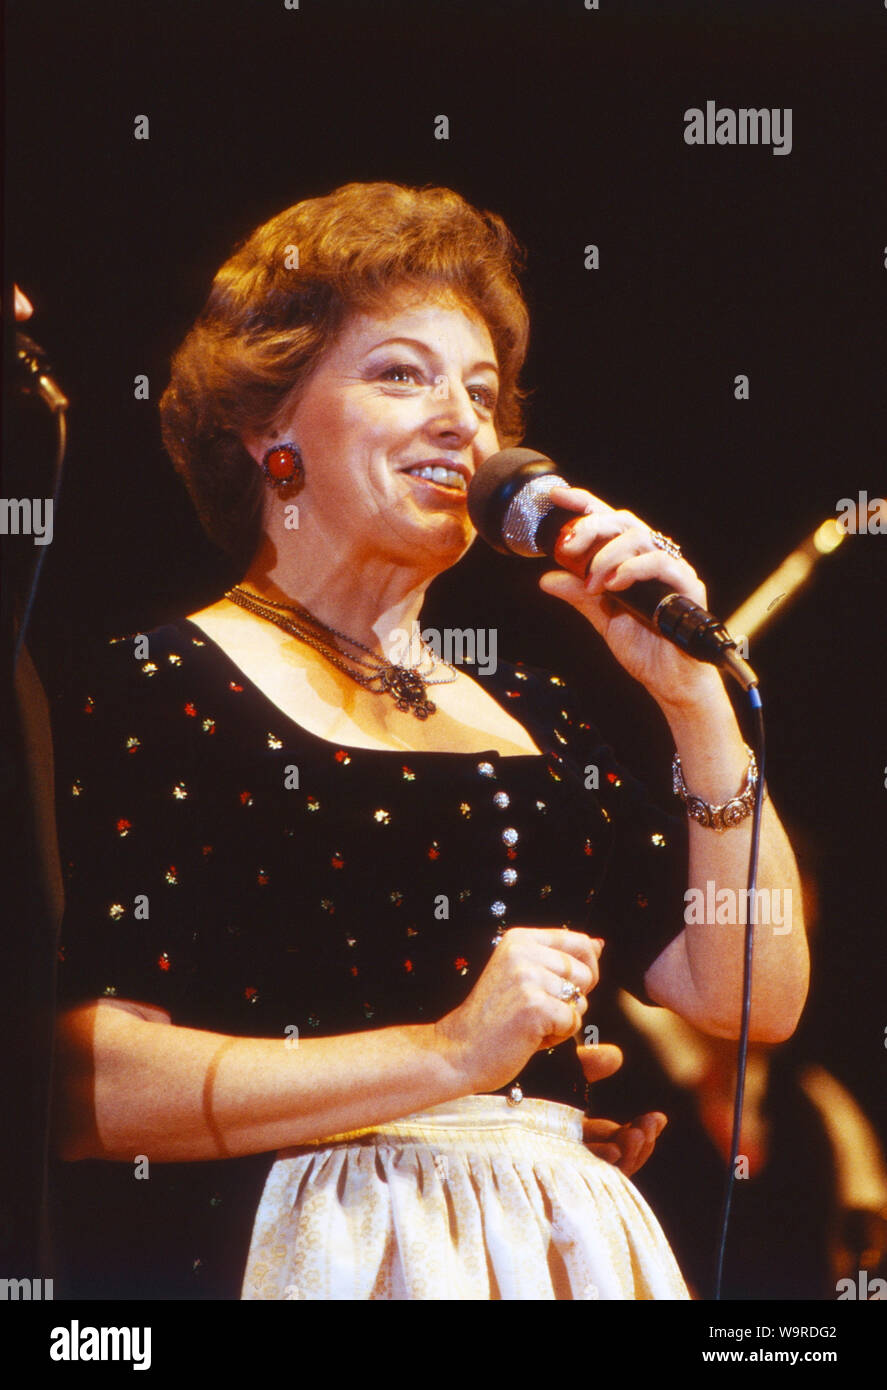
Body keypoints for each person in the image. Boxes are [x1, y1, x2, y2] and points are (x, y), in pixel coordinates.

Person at [48, 182, 808, 1301]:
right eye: (402, 372)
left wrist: (691, 700)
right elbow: (79, 1085)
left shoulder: (538, 711)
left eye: (483, 391)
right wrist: (450, 1059)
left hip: (560, 1254)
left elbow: (749, 991)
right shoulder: (155, 687)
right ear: (269, 433)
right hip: (314, 1251)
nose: (465, 421)